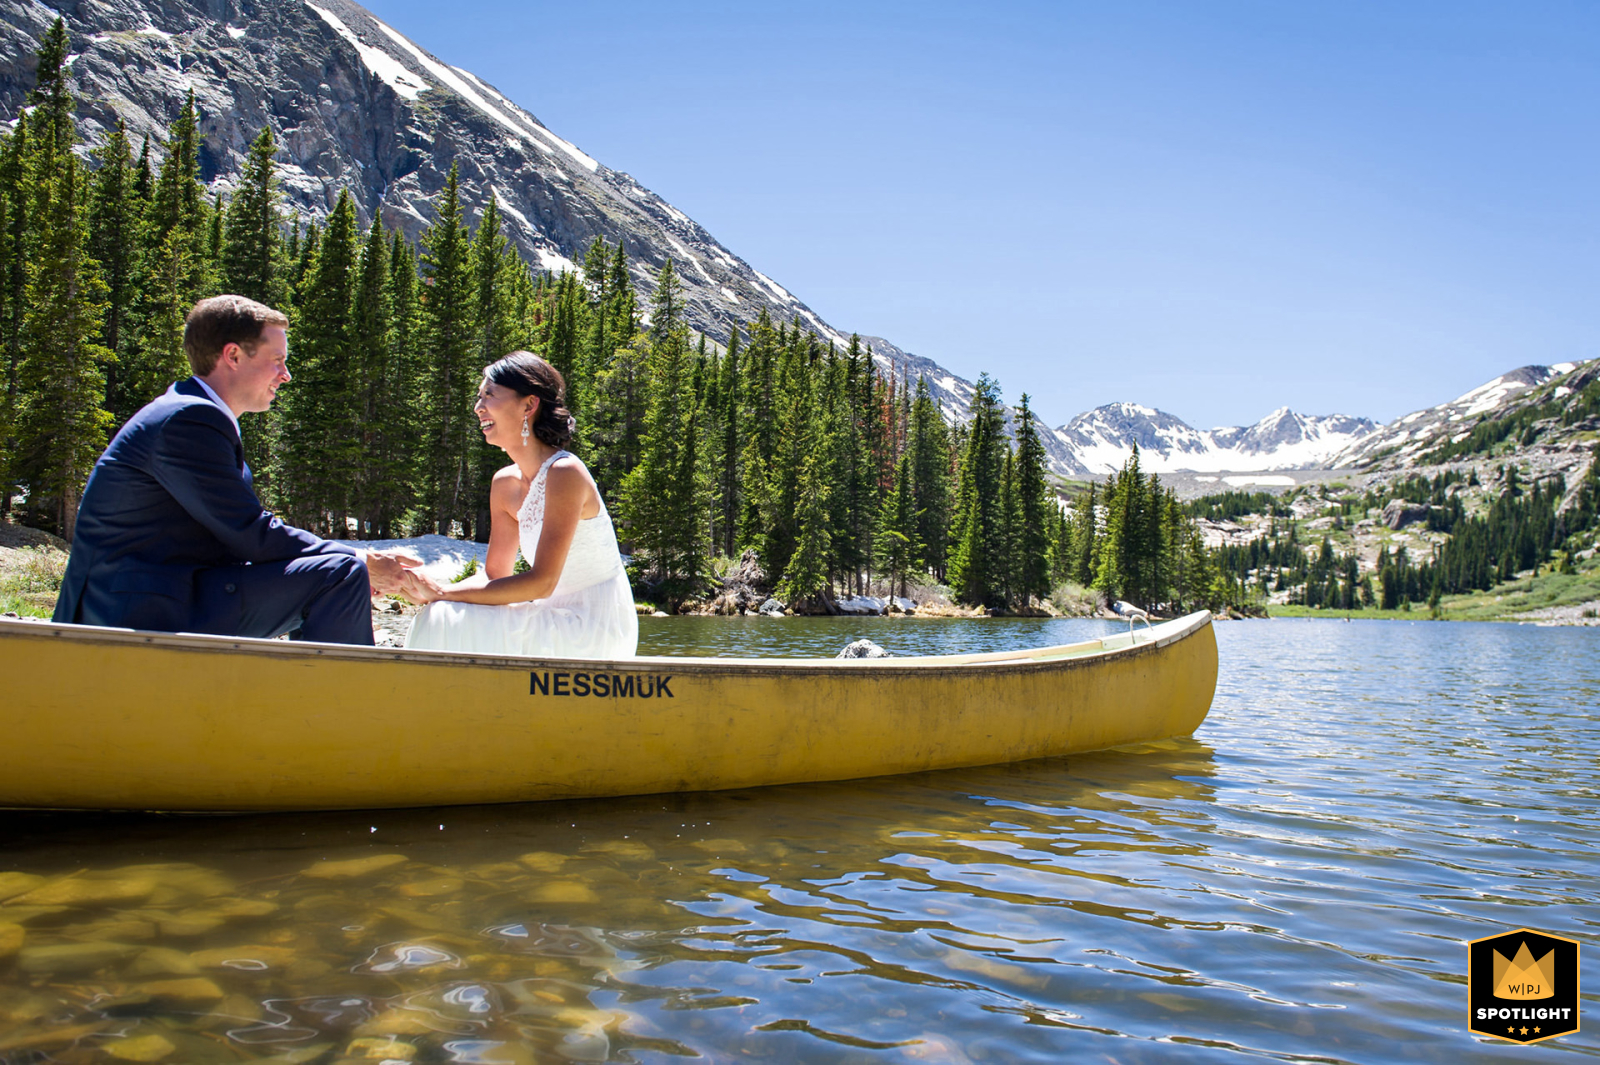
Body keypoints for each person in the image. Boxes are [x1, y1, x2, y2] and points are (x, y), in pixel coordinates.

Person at [53, 295, 415, 644]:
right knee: (340, 574)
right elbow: (248, 532)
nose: (285, 375)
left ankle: (308, 694)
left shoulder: (189, 412)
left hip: (166, 595)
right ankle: (331, 706)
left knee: (335, 572)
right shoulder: (189, 418)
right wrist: (360, 559)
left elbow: (233, 537)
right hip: (134, 610)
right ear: (233, 355)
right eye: (277, 360)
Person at [402, 352, 637, 659]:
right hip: (549, 618)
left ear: (529, 404)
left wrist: (444, 593)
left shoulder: (565, 473)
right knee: (439, 611)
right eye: (478, 396)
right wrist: (430, 589)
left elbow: (542, 583)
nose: (478, 407)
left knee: (444, 612)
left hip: (594, 627)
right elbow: (494, 576)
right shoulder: (505, 484)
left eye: (489, 395)